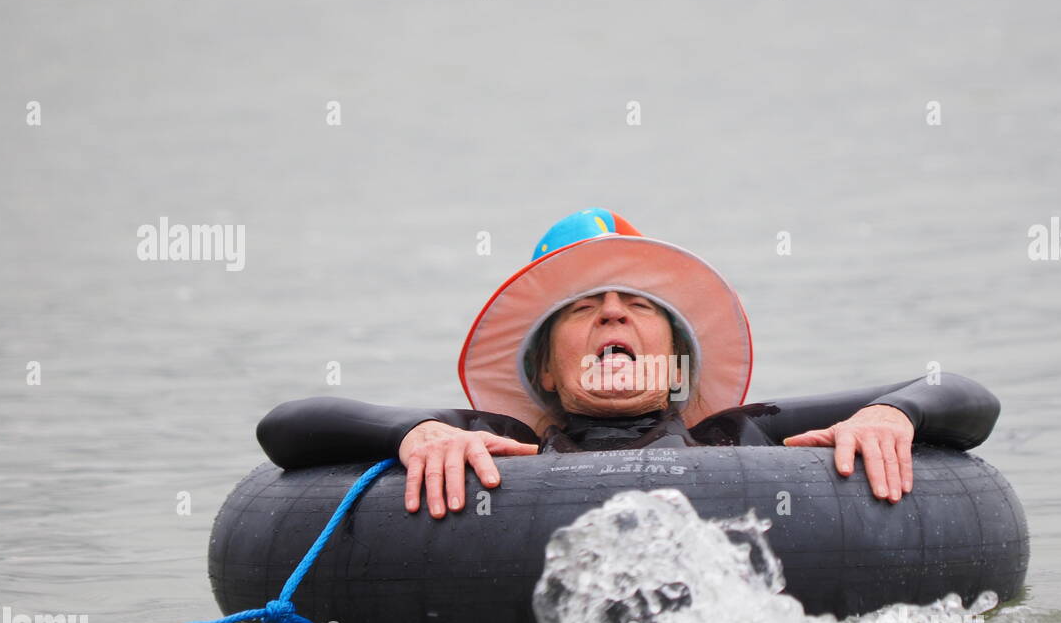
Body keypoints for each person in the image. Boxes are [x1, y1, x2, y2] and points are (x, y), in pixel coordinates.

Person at [257, 209, 1001, 518]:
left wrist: (888, 414)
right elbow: (286, 428)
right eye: (582, 309)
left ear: (677, 360)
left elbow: (962, 396)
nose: (612, 313)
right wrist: (411, 433)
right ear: (546, 371)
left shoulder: (741, 435)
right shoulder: (496, 440)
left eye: (638, 306)